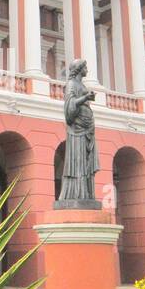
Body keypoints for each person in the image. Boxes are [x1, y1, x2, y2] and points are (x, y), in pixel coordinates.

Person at [58, 59, 100, 206]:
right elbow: (69, 105)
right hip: (77, 130)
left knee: (85, 162)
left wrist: (87, 99)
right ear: (79, 69)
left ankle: (85, 193)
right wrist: (85, 98)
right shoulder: (71, 84)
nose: (87, 69)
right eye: (85, 67)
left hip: (87, 129)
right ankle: (74, 193)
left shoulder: (81, 85)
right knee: (78, 161)